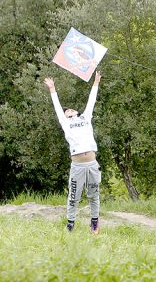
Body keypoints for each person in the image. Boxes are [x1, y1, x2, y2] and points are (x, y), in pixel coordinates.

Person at [44, 72, 103, 234]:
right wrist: (52, 89)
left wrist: (96, 82)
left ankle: (95, 223)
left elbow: (92, 100)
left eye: (70, 109)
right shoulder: (65, 123)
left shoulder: (85, 118)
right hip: (77, 166)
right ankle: (70, 224)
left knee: (93, 195)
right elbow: (57, 107)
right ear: (65, 116)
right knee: (73, 196)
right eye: (66, 111)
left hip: (92, 164)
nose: (68, 110)